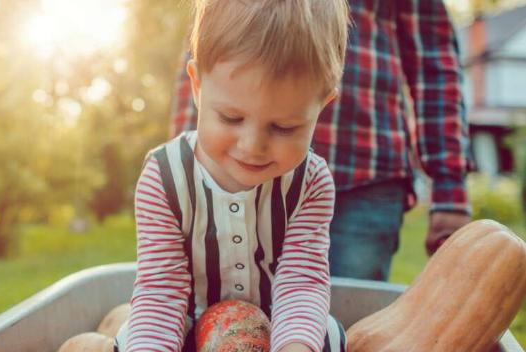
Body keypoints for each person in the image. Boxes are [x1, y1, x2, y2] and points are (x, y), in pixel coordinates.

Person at [115, 1, 349, 352]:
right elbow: (161, 289)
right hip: (188, 330)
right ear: (198, 85)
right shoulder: (163, 177)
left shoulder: (311, 182)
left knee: (329, 336)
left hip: (279, 336)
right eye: (231, 118)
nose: (253, 145)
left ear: (324, 105)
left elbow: (301, 282)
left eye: (284, 126)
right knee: (133, 341)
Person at [171, 0, 473, 281]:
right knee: (225, 307)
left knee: (347, 319)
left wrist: (450, 189)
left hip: (364, 175)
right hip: (235, 179)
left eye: (285, 126)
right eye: (230, 117)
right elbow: (206, 47)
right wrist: (185, 165)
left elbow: (433, 61)